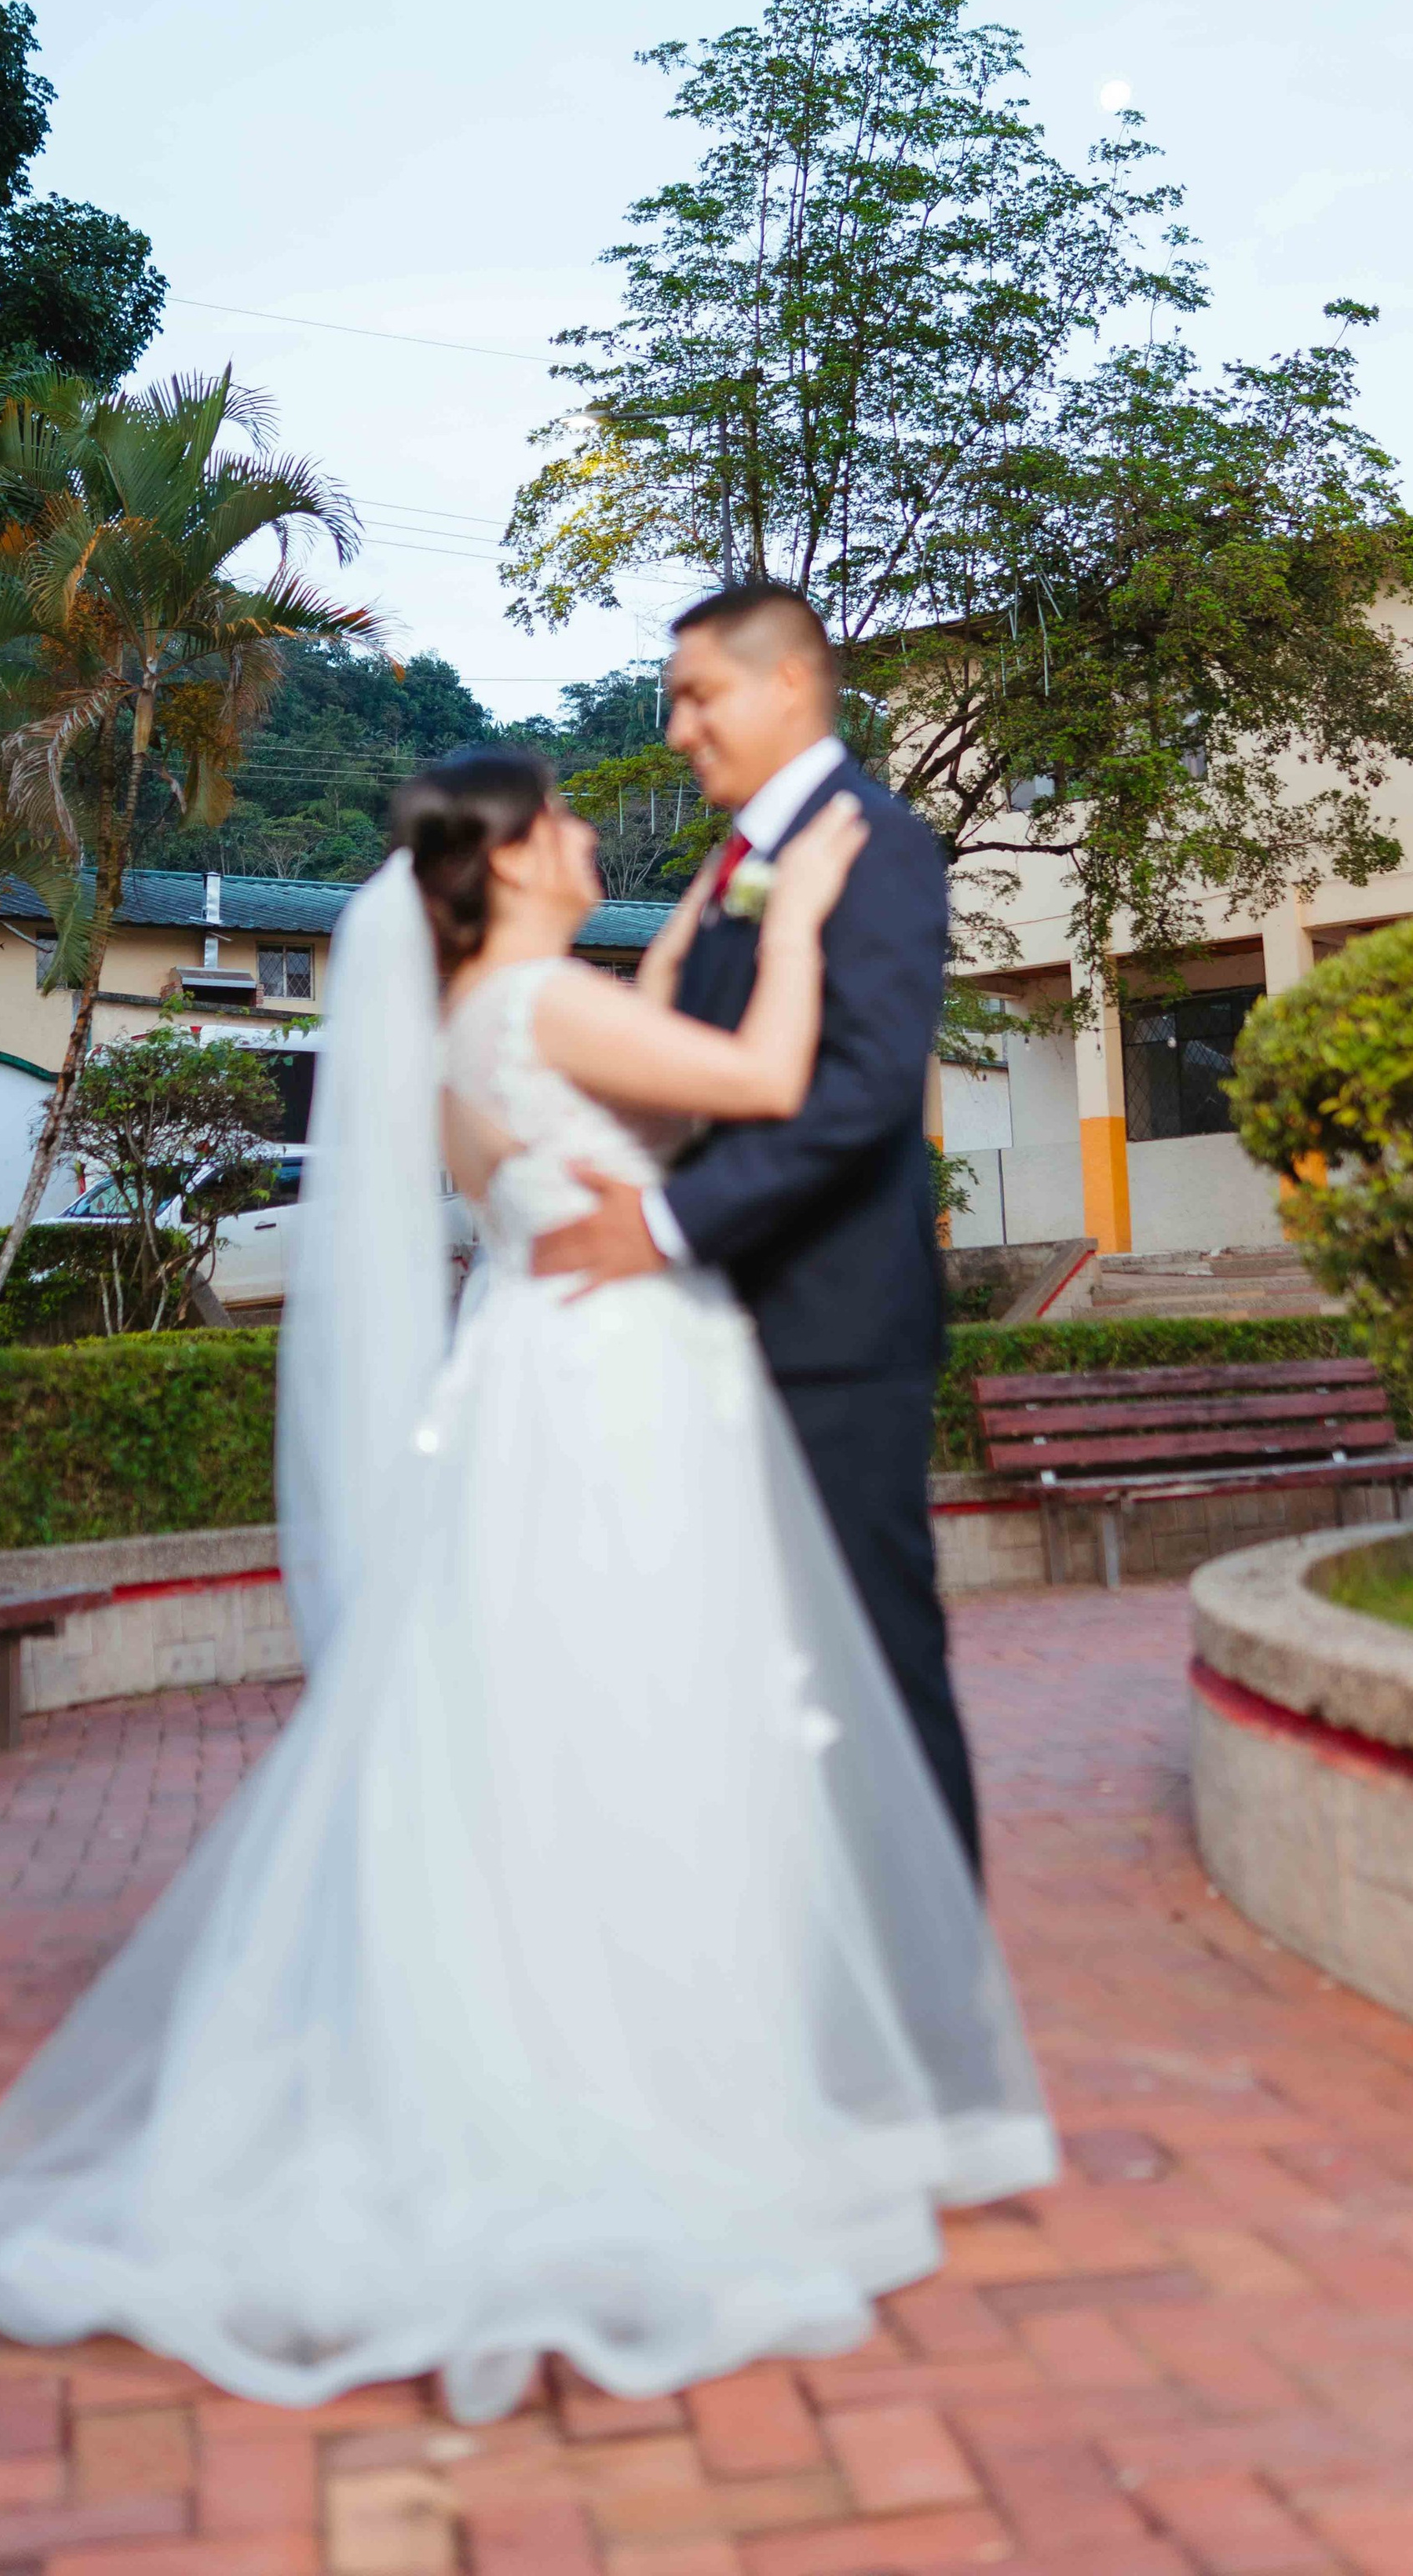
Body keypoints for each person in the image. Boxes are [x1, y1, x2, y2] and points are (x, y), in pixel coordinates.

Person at [0, 751, 1053, 2425]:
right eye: (562, 824)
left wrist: (661, 971)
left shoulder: (474, 1034)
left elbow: (630, 1114)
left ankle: (562, 2073)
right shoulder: (535, 1006)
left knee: (547, 1729)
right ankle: (634, 2110)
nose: (589, 836)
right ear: (507, 864)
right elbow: (763, 1074)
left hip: (536, 1394)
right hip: (617, 1406)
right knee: (645, 1727)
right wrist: (794, 917)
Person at [533, 587, 982, 1866]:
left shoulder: (875, 844)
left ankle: (929, 1993)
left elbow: (862, 1093)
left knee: (874, 1667)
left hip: (833, 1327)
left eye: (697, 697)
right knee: (764, 1678)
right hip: (723, 1338)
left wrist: (663, 1228)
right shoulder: (733, 870)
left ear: (789, 684)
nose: (677, 730)